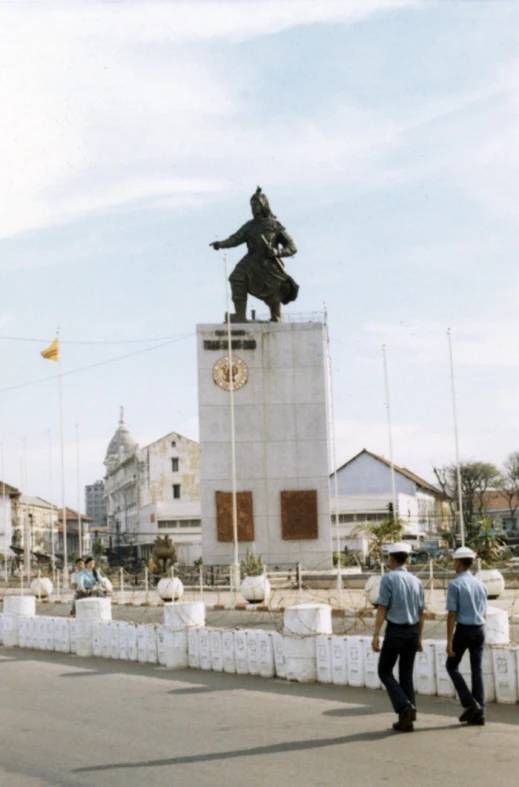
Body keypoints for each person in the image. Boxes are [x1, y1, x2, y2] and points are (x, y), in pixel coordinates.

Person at [210, 186, 298, 323]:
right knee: (236, 278)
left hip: (268, 263)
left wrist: (277, 252)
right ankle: (240, 316)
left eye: (256, 205)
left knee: (273, 289)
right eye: (252, 205)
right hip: (251, 261)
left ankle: (276, 316)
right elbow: (235, 239)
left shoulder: (275, 225)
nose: (254, 208)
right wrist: (220, 244)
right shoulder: (250, 226)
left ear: (264, 205)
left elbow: (292, 247)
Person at [372, 542, 425, 733]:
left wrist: (376, 633)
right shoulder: (416, 581)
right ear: (407, 559)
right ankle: (407, 719)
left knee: (384, 671)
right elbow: (421, 612)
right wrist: (419, 637)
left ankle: (404, 706)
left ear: (392, 560)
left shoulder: (389, 579)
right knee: (406, 675)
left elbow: (382, 608)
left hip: (395, 631)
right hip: (412, 632)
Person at [445, 546, 488, 726]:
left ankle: (470, 703)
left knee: (451, 665)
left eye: (454, 561)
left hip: (464, 629)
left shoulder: (455, 584)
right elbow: (484, 611)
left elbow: (452, 614)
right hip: (480, 629)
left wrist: (449, 640)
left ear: (459, 563)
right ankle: (480, 712)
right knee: (476, 669)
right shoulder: (481, 584)